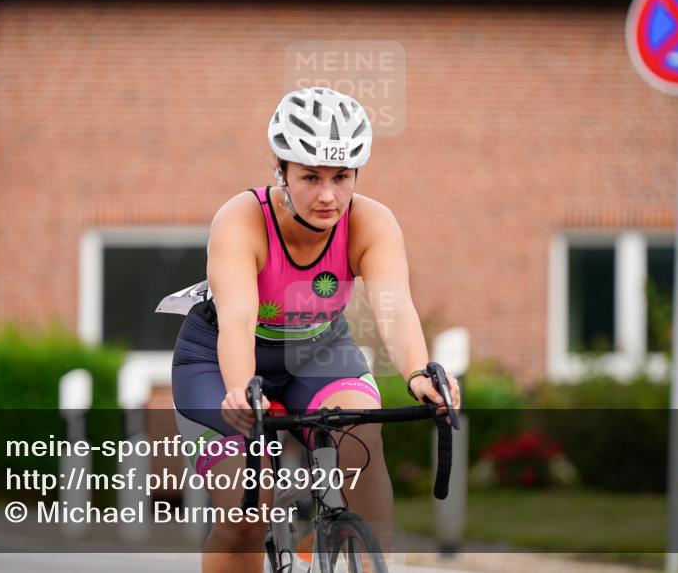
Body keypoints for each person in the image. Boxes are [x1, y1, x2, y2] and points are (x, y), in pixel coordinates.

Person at [169, 87, 461, 573]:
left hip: (318, 352)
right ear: (280, 170)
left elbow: (394, 308)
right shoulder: (241, 220)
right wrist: (241, 390)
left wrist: (417, 373)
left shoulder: (372, 222)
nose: (328, 196)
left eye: (341, 177)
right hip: (218, 362)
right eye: (310, 177)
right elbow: (238, 318)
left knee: (363, 437)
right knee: (246, 510)